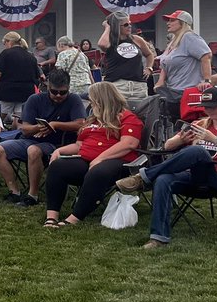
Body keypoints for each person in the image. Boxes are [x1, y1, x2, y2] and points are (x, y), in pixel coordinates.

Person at [117, 85, 217, 250]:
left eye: (214, 107)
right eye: (207, 107)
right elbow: (168, 145)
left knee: (198, 151)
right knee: (163, 179)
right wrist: (181, 139)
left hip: (216, 178)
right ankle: (158, 238)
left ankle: (143, 177)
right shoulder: (199, 123)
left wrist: (215, 140)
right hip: (191, 176)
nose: (209, 111)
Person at [41, 82, 143, 228]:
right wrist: (60, 151)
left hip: (119, 162)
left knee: (98, 171)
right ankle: (51, 216)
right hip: (87, 160)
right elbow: (79, 146)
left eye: (92, 100)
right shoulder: (93, 120)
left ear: (101, 100)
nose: (90, 103)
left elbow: (129, 144)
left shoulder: (127, 118)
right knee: (58, 166)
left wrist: (100, 158)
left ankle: (75, 217)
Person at [0, 69, 87, 207]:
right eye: (54, 92)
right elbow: (24, 128)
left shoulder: (73, 99)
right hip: (30, 139)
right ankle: (14, 192)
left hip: (58, 144)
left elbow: (80, 124)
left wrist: (55, 125)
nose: (58, 95)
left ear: (68, 88)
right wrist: (40, 127)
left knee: (33, 150)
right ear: (48, 87)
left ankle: (32, 195)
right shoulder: (35, 99)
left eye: (63, 92)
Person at [154, 10, 211, 111]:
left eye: (172, 20)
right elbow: (164, 63)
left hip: (186, 92)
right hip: (173, 91)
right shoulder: (174, 41)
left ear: (182, 22)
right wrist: (160, 81)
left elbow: (206, 56)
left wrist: (206, 81)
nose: (168, 23)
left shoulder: (189, 37)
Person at [97, 11, 156, 104]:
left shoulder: (136, 39)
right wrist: (108, 27)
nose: (129, 26)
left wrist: (149, 67)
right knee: (118, 116)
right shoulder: (111, 41)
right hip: (117, 85)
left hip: (138, 85)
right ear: (116, 27)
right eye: (125, 24)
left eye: (129, 24)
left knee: (141, 115)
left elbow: (149, 54)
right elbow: (102, 44)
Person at [0, 31, 41, 123]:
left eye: (4, 43)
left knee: (0, 117)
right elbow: (37, 77)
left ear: (9, 42)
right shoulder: (30, 56)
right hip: (26, 92)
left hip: (7, 91)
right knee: (18, 118)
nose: (4, 46)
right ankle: (16, 134)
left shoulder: (5, 54)